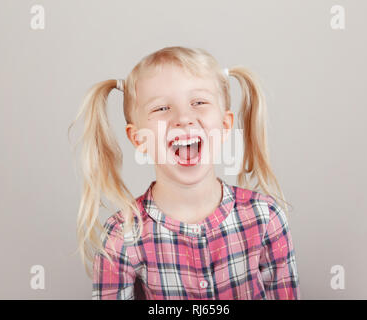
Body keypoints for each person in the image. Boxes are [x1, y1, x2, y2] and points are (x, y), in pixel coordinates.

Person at [68, 46, 301, 300]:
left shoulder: (265, 218)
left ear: (224, 125)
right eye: (161, 108)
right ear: (138, 139)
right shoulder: (121, 237)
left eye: (199, 102)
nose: (184, 118)